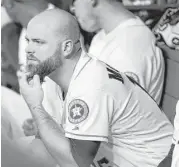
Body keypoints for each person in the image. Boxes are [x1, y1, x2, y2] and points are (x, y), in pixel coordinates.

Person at [18, 8, 173, 167]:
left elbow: (74, 163)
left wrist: (35, 106)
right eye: (28, 40)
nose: (28, 49)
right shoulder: (60, 78)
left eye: (38, 42)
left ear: (66, 48)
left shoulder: (90, 85)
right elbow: (46, 144)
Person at [70, 0, 165, 105]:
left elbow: (121, 114)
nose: (72, 9)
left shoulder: (130, 45)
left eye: (73, 0)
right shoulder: (102, 36)